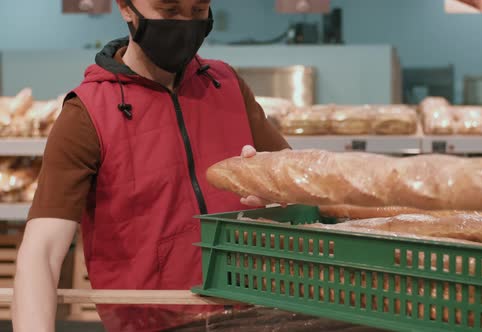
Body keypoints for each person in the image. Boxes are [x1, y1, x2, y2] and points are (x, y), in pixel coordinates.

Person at [12, 0, 289, 331]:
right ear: (126, 8)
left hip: (254, 316)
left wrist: (275, 202)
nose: (185, 24)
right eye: (169, 11)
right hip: (152, 323)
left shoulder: (226, 85)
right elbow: (41, 252)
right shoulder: (87, 114)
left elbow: (297, 184)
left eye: (198, 11)